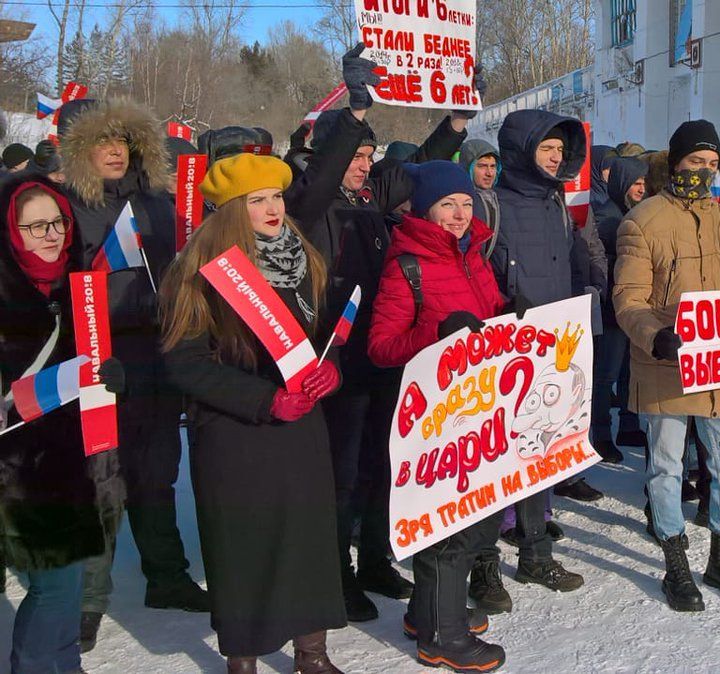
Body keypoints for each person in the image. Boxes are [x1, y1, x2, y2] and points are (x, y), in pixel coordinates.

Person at [286, 44, 469, 623]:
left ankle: (373, 561)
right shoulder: (310, 203)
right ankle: (335, 573)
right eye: (354, 154)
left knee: (379, 464)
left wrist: (456, 121)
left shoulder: (370, 198)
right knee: (341, 471)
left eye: (368, 155)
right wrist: (354, 113)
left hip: (384, 352)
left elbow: (422, 167)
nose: (363, 163)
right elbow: (321, 176)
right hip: (336, 356)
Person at [160, 153, 346, 672]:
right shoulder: (196, 274)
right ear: (229, 210)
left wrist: (332, 370)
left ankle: (313, 653)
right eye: (256, 200)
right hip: (235, 435)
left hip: (302, 431)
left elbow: (327, 340)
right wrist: (265, 400)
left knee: (309, 540)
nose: (271, 208)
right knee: (244, 551)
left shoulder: (305, 260)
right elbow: (185, 365)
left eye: (276, 197)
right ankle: (242, 659)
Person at [58, 96, 208, 650]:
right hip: (97, 364)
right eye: (100, 141)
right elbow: (47, 295)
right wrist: (85, 355)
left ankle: (165, 578)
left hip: (159, 359)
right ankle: (86, 600)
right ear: (77, 151)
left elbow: (188, 270)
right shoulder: (62, 207)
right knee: (101, 481)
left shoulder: (160, 204)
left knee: (157, 473)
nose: (113, 151)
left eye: (121, 141)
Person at [367, 160, 509, 673]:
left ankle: (424, 611)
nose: (459, 213)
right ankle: (442, 638)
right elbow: (381, 347)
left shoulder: (475, 253)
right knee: (454, 524)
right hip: (433, 417)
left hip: (477, 406)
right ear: (426, 209)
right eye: (448, 204)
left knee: (477, 514)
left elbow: (487, 318)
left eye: (466, 203)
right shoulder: (407, 263)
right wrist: (439, 335)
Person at [614, 119, 720, 612]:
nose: (705, 171)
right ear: (675, 163)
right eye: (696, 162)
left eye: (713, 164)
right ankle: (675, 562)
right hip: (666, 367)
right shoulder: (644, 220)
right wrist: (657, 336)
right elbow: (628, 300)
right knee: (666, 468)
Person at [471, 108, 595, 602]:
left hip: (554, 347)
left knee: (541, 452)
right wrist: (503, 305)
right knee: (493, 460)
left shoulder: (557, 205)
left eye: (561, 151)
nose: (555, 158)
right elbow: (472, 272)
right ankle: (484, 565)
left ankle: (536, 555)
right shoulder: (488, 205)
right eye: (547, 149)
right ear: (523, 150)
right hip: (502, 351)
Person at [0, 174, 112, 673]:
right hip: (12, 465)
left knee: (60, 584)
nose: (50, 234)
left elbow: (94, 362)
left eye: (57, 222)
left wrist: (115, 374)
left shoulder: (79, 288)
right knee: (55, 586)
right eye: (34, 226)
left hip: (61, 464)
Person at [590, 155, 648, 464]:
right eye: (636, 183)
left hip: (634, 306)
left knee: (631, 370)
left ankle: (629, 424)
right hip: (612, 305)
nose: (641, 188)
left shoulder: (634, 211)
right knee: (606, 374)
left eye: (644, 183)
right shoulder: (606, 215)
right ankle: (601, 435)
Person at [457, 138, 500, 232]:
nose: (489, 173)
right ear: (468, 168)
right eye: (482, 166)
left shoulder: (499, 199)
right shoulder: (457, 200)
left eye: (493, 166)